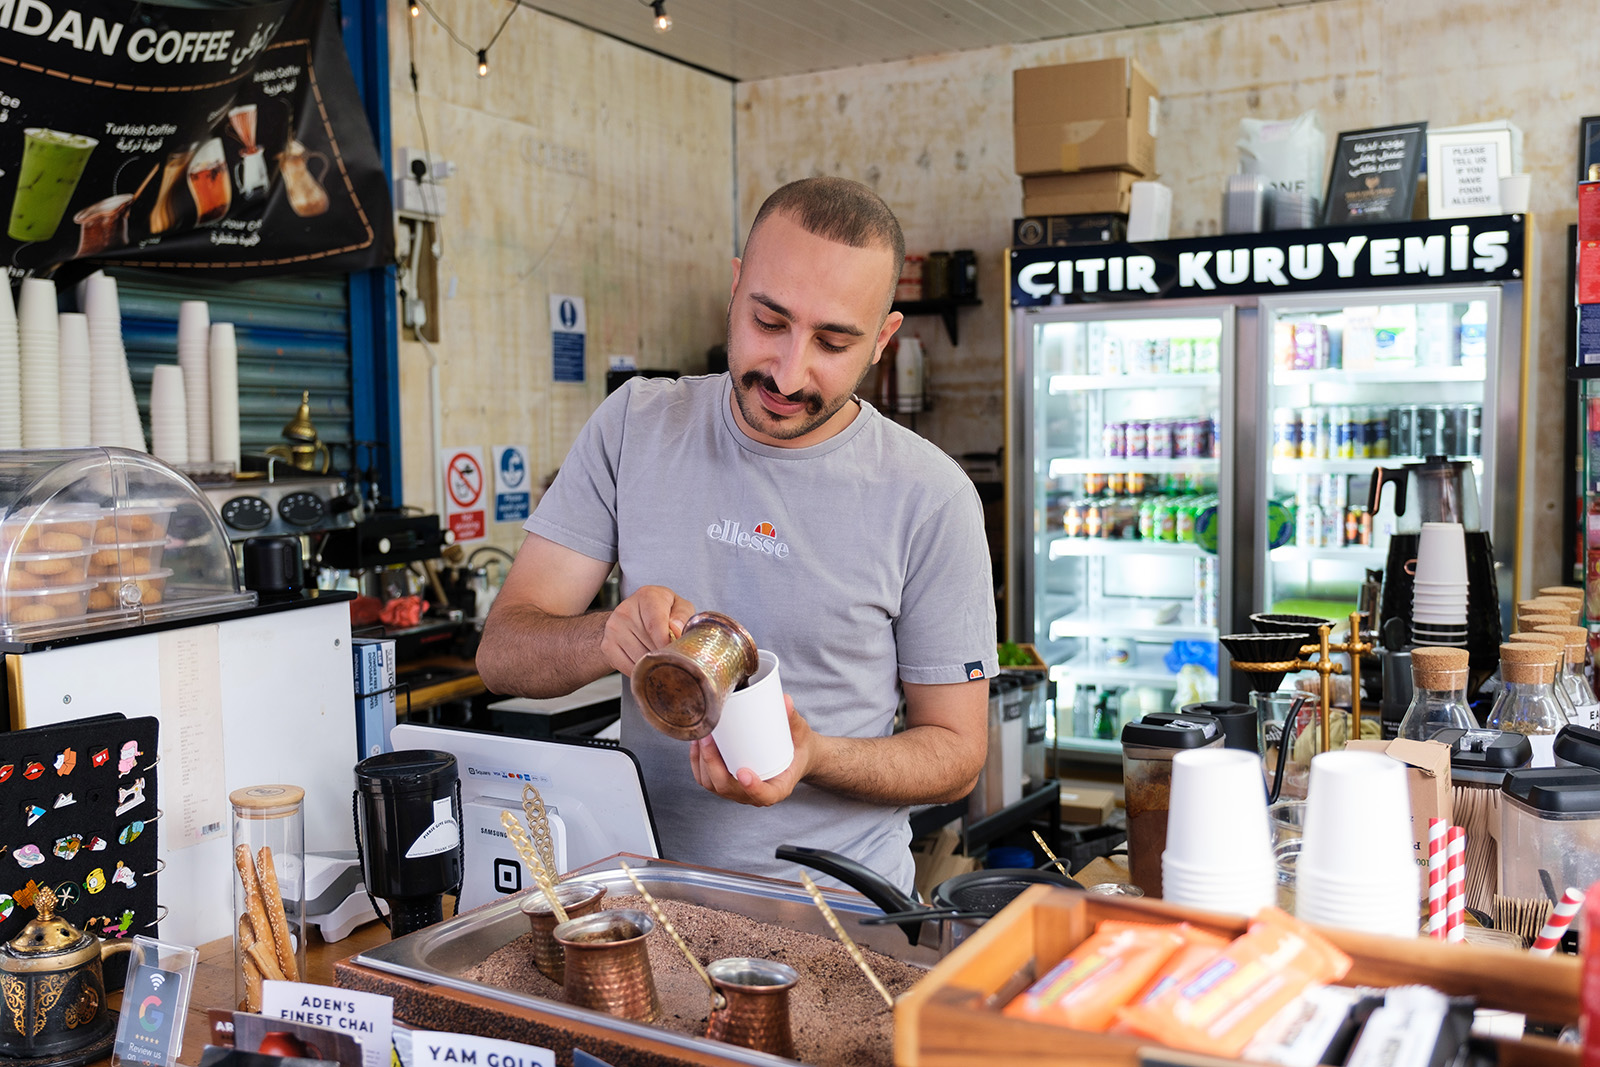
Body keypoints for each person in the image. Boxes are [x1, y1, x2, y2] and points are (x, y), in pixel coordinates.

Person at [477, 176, 996, 892]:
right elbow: (502, 653)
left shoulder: (932, 497)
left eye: (833, 341)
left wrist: (813, 755)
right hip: (645, 903)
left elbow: (957, 753)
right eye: (770, 321)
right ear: (735, 287)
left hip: (840, 917)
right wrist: (604, 638)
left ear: (882, 339)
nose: (788, 371)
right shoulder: (636, 425)